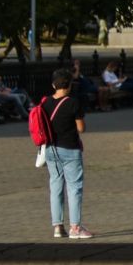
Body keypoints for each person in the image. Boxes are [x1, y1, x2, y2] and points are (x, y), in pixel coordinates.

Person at [40, 69, 92, 240]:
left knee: (55, 187)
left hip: (50, 149)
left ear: (53, 84)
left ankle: (57, 226)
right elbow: (81, 128)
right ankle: (75, 228)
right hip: (70, 149)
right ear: (69, 85)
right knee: (74, 187)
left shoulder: (45, 103)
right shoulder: (72, 103)